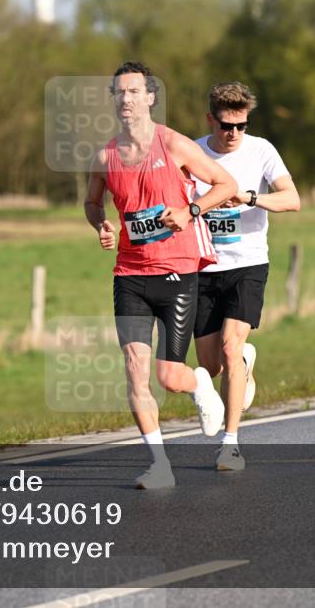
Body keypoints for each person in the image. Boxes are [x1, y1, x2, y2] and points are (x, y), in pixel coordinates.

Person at [84, 62, 237, 489]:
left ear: (150, 97)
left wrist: (190, 211)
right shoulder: (105, 157)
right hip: (130, 274)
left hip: (176, 270)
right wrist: (100, 224)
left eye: (134, 91)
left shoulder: (172, 144)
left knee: (169, 377)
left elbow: (224, 184)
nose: (126, 99)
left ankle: (200, 383)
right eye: (119, 92)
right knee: (135, 368)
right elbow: (92, 202)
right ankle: (160, 465)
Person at [191, 81, 301, 471]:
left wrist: (250, 198)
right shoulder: (193, 153)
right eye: (226, 125)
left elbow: (292, 199)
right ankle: (244, 363)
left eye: (242, 125)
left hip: (248, 264)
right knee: (210, 367)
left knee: (229, 347)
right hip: (203, 267)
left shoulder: (261, 150)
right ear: (211, 119)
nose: (234, 133)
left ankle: (231, 444)